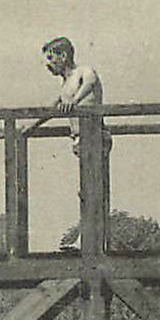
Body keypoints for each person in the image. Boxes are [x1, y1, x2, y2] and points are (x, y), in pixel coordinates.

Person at [42, 37, 108, 251]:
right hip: (81, 140)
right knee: (86, 190)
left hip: (94, 135)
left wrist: (75, 101)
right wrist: (29, 126)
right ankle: (90, 238)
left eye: (51, 58)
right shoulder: (64, 84)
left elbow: (90, 82)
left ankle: (92, 240)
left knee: (94, 189)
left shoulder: (83, 71)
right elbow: (52, 108)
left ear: (63, 55)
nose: (48, 63)